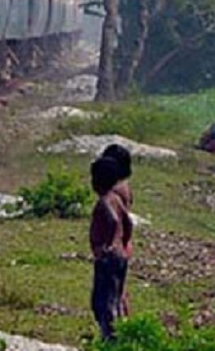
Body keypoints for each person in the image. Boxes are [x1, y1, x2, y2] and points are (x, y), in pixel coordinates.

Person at [89, 155, 131, 341]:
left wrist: (107, 244)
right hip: (120, 256)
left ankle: (110, 337)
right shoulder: (117, 198)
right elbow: (128, 222)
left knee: (102, 301)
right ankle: (119, 333)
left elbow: (114, 220)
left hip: (108, 258)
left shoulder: (105, 201)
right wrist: (123, 242)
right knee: (116, 296)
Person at [100, 143, 133, 316]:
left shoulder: (114, 193)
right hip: (123, 244)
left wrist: (109, 242)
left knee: (111, 295)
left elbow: (116, 219)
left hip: (115, 245)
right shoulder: (124, 187)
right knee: (119, 291)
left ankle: (117, 331)